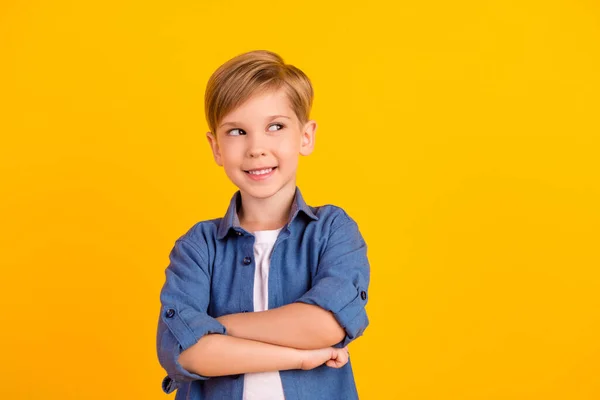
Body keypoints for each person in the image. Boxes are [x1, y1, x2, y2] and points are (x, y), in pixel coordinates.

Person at [156, 49, 370, 400]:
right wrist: (299, 358)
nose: (256, 147)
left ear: (306, 136)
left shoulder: (333, 230)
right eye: (237, 131)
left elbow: (325, 324)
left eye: (275, 126)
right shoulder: (197, 246)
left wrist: (215, 329)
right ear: (216, 147)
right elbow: (187, 351)